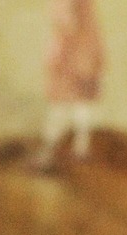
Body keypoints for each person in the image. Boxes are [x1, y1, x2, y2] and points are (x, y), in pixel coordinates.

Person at [33, 0, 105, 170]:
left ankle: (51, 149)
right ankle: (79, 147)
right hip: (83, 53)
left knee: (64, 103)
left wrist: (57, 55)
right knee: (78, 102)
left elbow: (66, 24)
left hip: (73, 54)